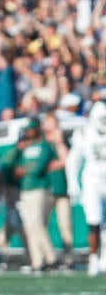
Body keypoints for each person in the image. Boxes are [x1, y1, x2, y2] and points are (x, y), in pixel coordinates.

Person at [12, 117, 62, 271]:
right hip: (26, 190)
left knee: (38, 223)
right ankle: (37, 261)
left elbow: (38, 167)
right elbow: (15, 167)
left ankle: (51, 257)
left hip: (40, 188)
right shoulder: (25, 147)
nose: (30, 132)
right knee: (29, 226)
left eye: (32, 129)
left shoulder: (45, 146)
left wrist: (25, 170)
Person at [72, 101, 106, 275]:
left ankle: (104, 258)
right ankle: (94, 258)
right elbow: (74, 159)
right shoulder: (84, 132)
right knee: (94, 221)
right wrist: (73, 185)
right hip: (92, 180)